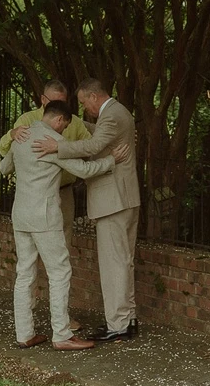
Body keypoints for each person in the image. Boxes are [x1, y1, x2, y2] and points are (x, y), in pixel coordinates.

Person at [0, 100, 128, 351]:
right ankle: (62, 334)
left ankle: (24, 334)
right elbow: (84, 170)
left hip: (21, 214)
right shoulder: (53, 143)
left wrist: (13, 138)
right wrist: (112, 160)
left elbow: (4, 168)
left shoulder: (21, 135)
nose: (63, 131)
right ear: (60, 120)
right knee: (59, 272)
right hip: (45, 216)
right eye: (65, 126)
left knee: (24, 273)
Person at [32, 78, 140, 342]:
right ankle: (127, 319)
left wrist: (57, 146)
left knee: (114, 263)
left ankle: (118, 324)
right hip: (123, 198)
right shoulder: (117, 113)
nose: (83, 107)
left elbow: (93, 146)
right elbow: (98, 133)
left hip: (113, 200)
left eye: (83, 102)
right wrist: (79, 124)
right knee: (123, 260)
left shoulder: (111, 115)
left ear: (93, 97)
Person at [0, 79, 90, 251]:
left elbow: (90, 146)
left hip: (64, 191)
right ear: (42, 99)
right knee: (32, 249)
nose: (58, 106)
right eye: (53, 101)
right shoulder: (27, 119)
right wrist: (11, 134)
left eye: (62, 102)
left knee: (63, 243)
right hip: (33, 195)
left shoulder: (74, 122)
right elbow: (6, 153)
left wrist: (64, 148)